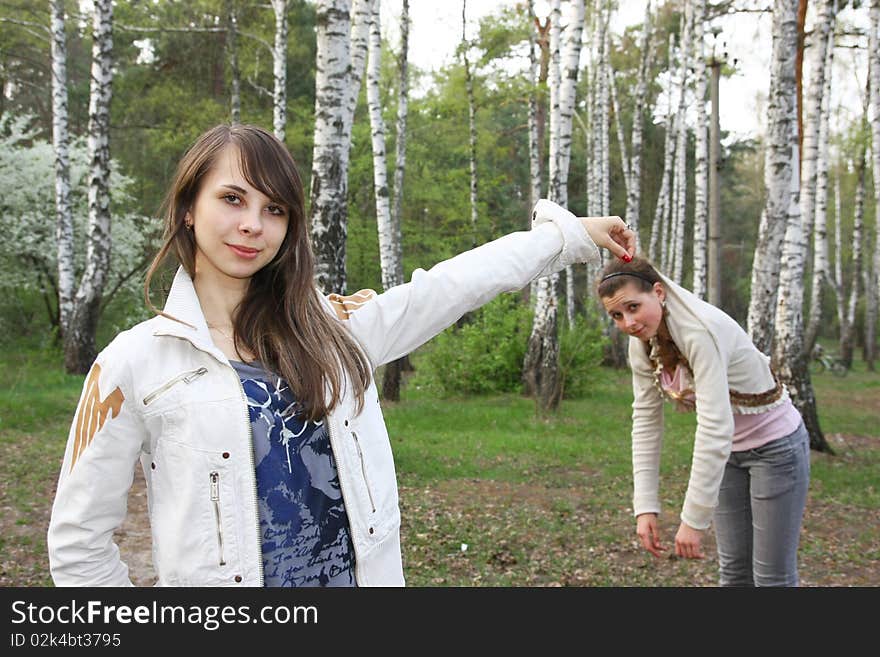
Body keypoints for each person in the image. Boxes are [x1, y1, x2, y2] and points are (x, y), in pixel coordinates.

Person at [47, 123, 634, 587]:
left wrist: (564, 236)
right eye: (232, 199)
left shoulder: (331, 332)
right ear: (187, 208)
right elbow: (78, 541)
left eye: (274, 209)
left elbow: (451, 287)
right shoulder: (133, 363)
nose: (253, 225)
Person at [597, 256, 810, 586]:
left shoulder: (699, 331)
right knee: (734, 573)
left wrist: (693, 519)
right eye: (617, 315)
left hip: (776, 450)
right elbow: (646, 421)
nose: (629, 322)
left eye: (634, 307)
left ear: (659, 292)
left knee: (772, 578)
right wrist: (645, 507)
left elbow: (715, 426)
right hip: (730, 456)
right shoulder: (642, 344)